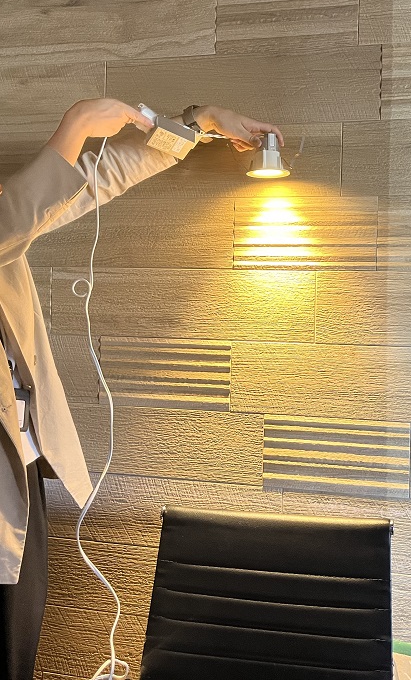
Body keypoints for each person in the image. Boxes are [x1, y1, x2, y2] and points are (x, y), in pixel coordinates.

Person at [0, 98, 284, 680]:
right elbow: (18, 212)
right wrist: (77, 124)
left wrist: (198, 123)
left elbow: (90, 179)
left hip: (17, 474)